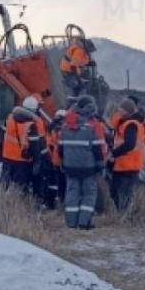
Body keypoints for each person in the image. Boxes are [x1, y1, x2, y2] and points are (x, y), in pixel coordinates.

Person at [59, 95, 106, 229]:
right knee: (89, 194)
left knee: (72, 193)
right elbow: (97, 149)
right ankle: (84, 222)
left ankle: (71, 223)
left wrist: (63, 162)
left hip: (70, 167)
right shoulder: (92, 127)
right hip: (88, 167)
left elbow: (60, 148)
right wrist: (100, 164)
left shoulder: (65, 127)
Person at [109, 97, 145, 211]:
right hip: (126, 164)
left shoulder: (130, 125)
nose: (119, 112)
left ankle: (124, 217)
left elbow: (129, 144)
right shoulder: (129, 123)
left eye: (121, 109)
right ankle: (123, 215)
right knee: (118, 192)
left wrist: (113, 154)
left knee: (123, 194)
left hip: (128, 165)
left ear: (127, 111)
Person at [1, 95, 42, 193]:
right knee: (21, 187)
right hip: (21, 160)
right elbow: (35, 146)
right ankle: (20, 205)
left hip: (7, 157)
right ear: (34, 110)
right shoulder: (31, 124)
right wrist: (37, 162)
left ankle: (2, 204)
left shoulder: (10, 118)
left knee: (5, 185)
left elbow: (3, 138)